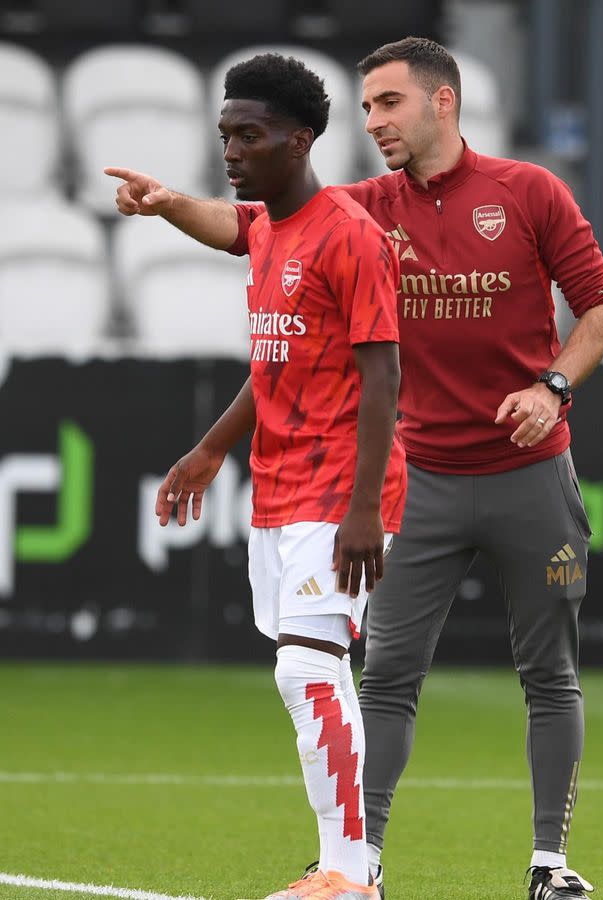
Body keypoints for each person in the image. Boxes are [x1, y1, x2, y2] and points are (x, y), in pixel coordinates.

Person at [107, 37, 603, 900]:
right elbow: (248, 225)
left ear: (442, 102)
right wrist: (166, 205)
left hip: (530, 469)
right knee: (381, 676)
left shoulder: (529, 192)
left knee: (549, 673)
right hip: (416, 477)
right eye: (368, 105)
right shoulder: (365, 207)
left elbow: (600, 307)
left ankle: (550, 863)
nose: (373, 120)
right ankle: (359, 861)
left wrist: (554, 388)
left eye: (387, 103)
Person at [107, 53, 406, 900]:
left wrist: (362, 511)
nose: (233, 150)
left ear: (299, 138)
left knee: (309, 669)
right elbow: (262, 317)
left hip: (339, 487)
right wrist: (210, 449)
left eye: (251, 135)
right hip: (279, 485)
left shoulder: (349, 234)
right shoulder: (275, 227)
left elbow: (383, 378)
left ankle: (350, 875)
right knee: (306, 670)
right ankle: (341, 868)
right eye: (225, 135)